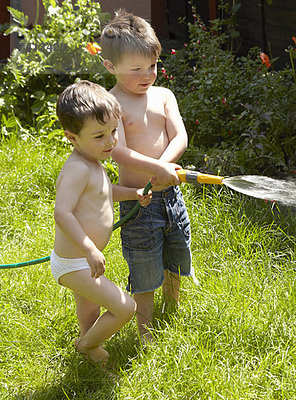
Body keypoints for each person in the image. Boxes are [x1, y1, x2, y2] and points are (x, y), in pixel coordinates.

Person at [100, 10, 193, 343]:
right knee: (144, 265)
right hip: (139, 199)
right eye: (136, 69)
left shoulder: (164, 96)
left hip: (170, 195)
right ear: (110, 66)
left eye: (152, 66)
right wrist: (157, 172)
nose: (147, 75)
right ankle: (146, 331)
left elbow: (180, 137)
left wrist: (163, 168)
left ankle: (173, 310)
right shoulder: (112, 104)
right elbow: (119, 152)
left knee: (176, 253)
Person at [53, 80, 152, 366]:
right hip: (75, 262)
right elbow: (63, 213)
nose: (110, 141)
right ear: (72, 138)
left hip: (82, 261)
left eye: (113, 132)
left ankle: (92, 359)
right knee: (125, 307)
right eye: (99, 136)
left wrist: (133, 194)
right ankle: (85, 345)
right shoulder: (77, 169)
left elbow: (106, 194)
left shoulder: (94, 163)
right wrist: (89, 249)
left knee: (90, 313)